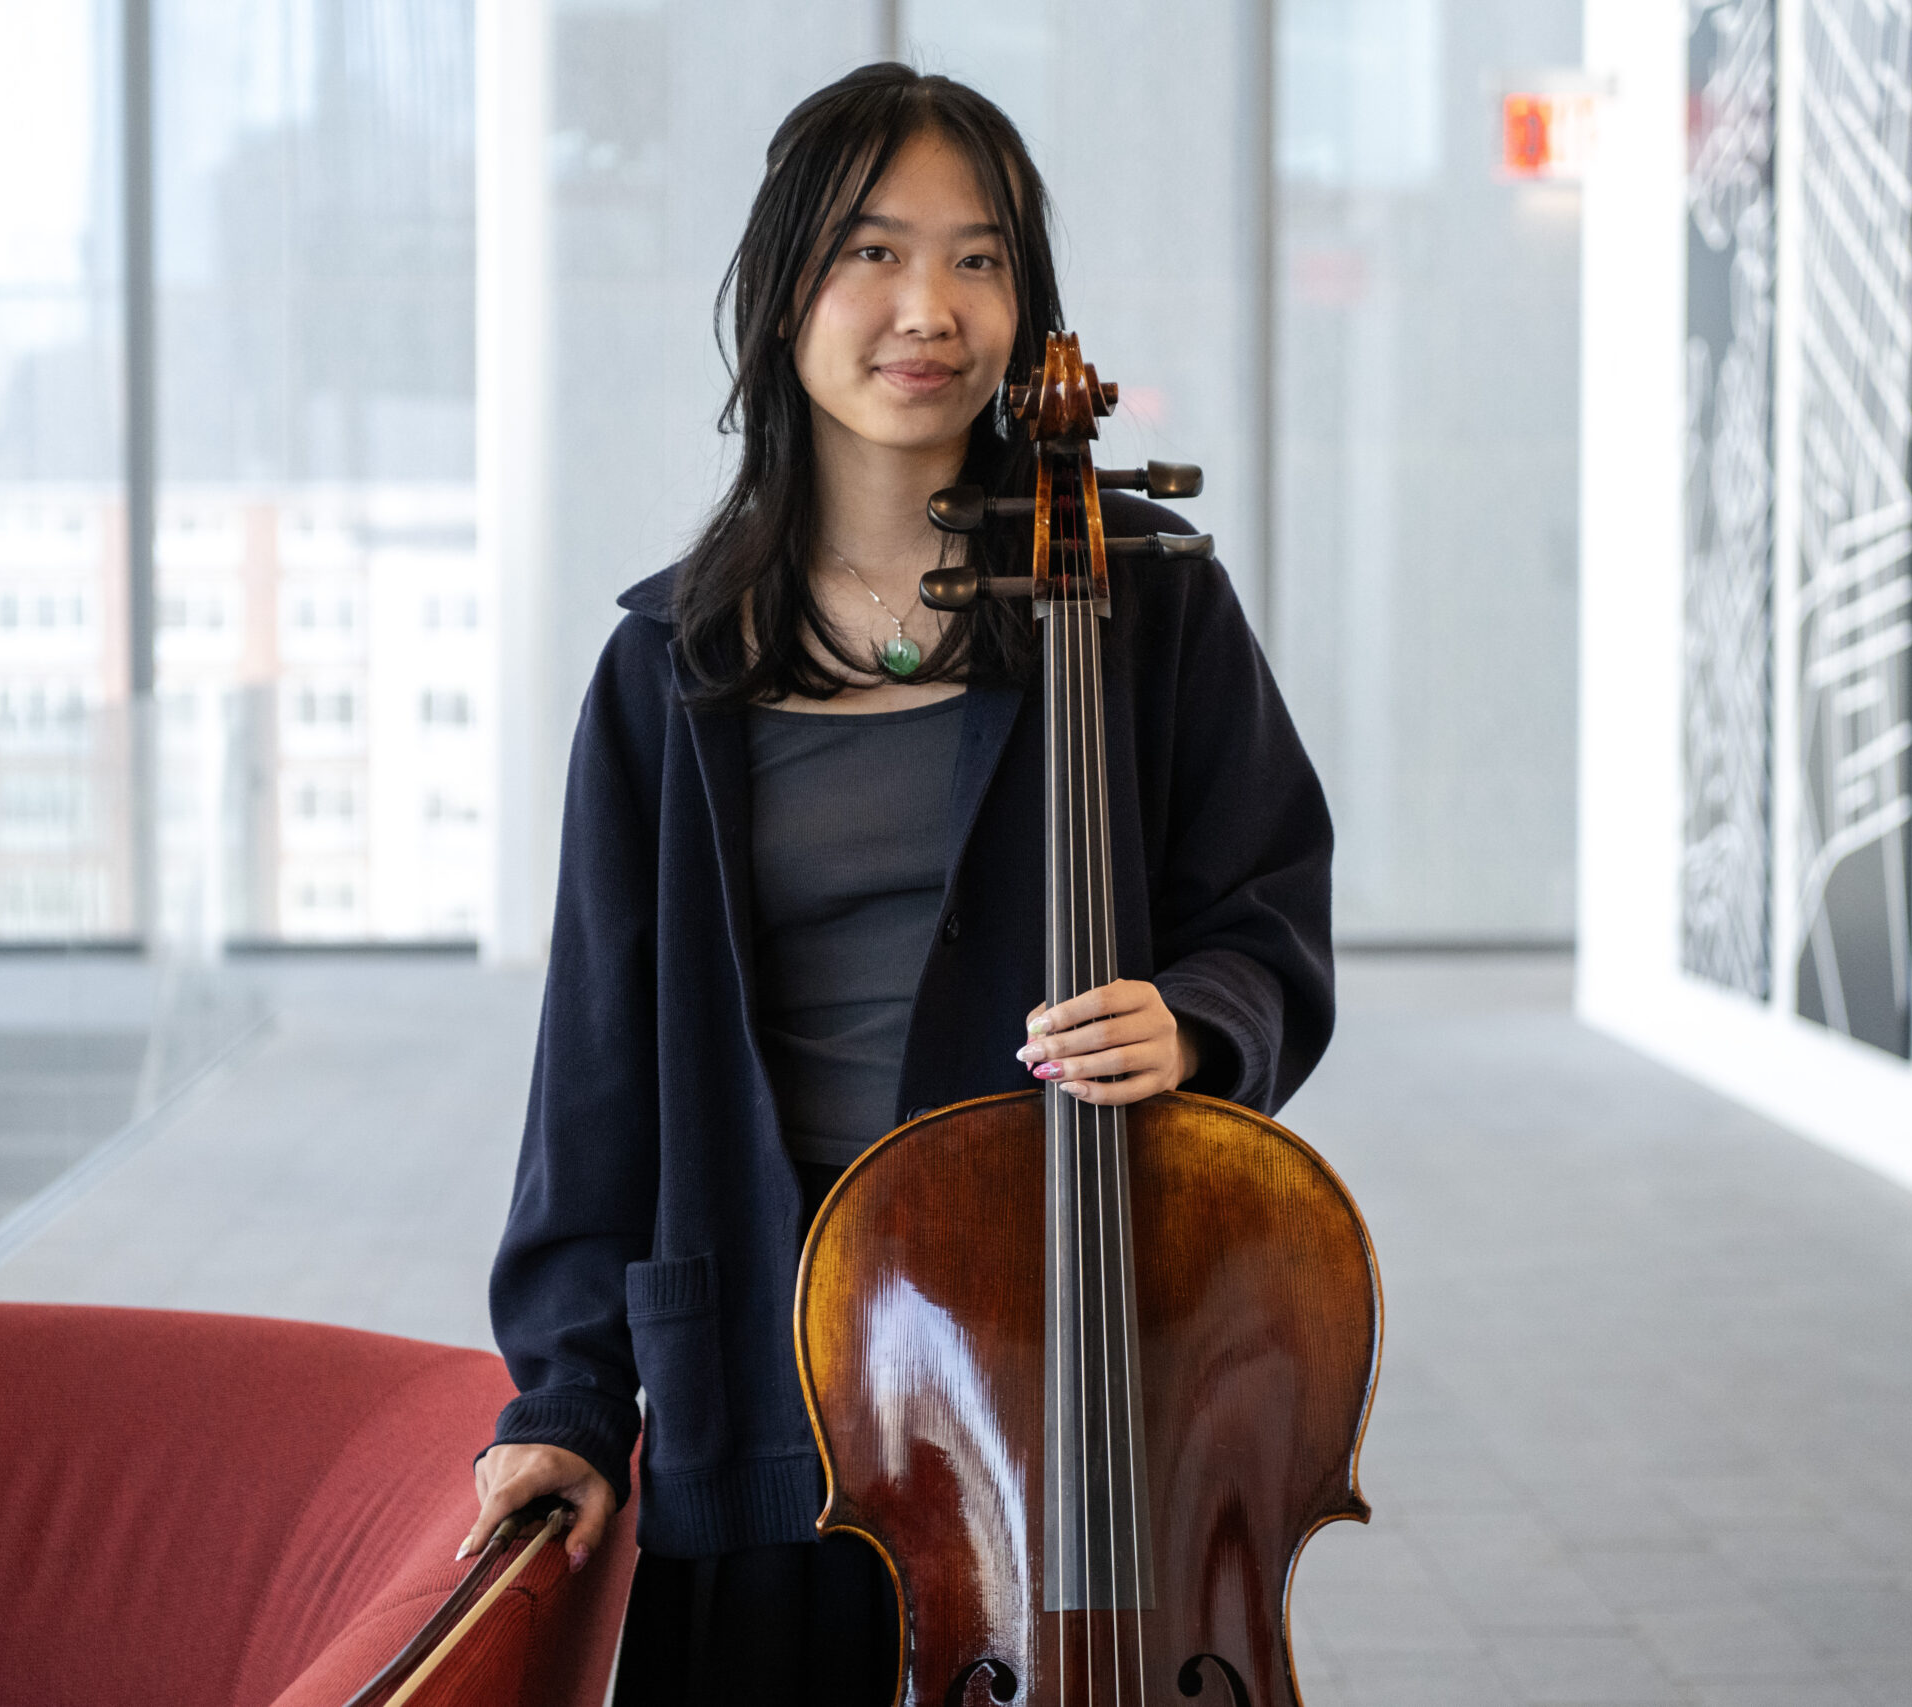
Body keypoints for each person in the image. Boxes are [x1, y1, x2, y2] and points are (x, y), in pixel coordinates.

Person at [459, 61, 1334, 1706]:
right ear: (783, 289)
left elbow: (1269, 904)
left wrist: (1198, 1021)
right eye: (873, 250)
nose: (929, 307)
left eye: (979, 257)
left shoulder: (1144, 601)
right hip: (768, 1367)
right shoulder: (669, 670)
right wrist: (565, 1400)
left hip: (1070, 1352)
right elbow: (595, 1081)